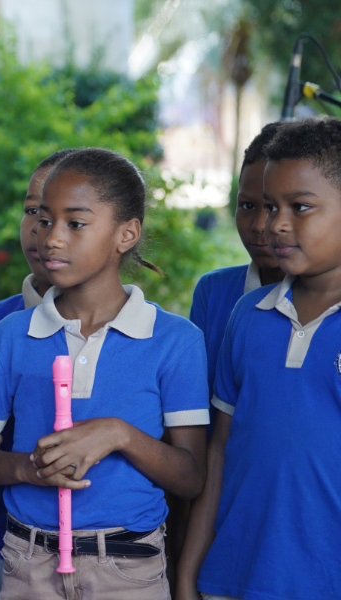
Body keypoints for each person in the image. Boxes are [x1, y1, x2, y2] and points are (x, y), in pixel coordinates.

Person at [0, 148, 208, 599]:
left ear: (126, 234)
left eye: (75, 223)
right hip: (27, 564)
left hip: (129, 568)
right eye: (43, 219)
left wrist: (119, 434)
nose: (51, 238)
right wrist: (28, 469)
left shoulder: (175, 341)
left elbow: (191, 477)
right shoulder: (9, 336)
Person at [176, 117, 341, 600]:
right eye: (268, 206)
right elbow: (219, 451)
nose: (274, 225)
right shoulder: (248, 315)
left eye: (299, 207)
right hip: (232, 576)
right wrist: (188, 572)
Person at [0, 149, 73, 600]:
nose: (41, 230)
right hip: (6, 554)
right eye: (33, 212)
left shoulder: (146, 334)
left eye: (66, 219)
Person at [188, 122, 286, 399]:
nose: (259, 225)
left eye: (273, 208)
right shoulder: (214, 292)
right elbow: (197, 397)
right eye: (247, 206)